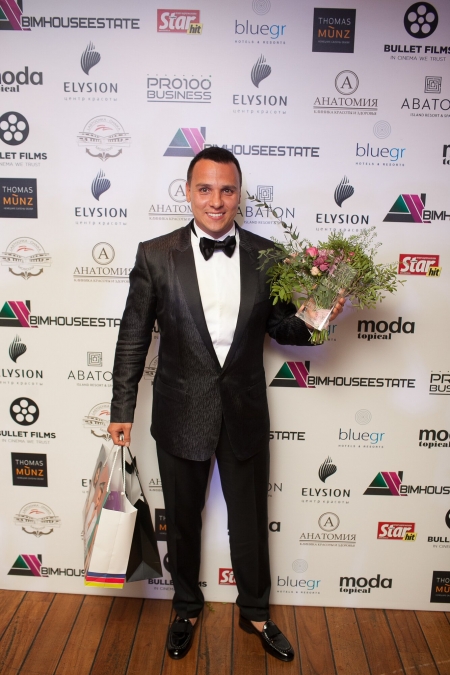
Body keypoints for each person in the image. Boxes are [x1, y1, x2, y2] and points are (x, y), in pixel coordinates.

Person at [107, 147, 344, 662]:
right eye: (206, 189)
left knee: (251, 522)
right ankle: (185, 608)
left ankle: (255, 611)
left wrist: (320, 315)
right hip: (179, 413)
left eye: (227, 189)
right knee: (182, 522)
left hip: (244, 413)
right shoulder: (155, 255)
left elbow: (282, 329)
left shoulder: (268, 255)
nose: (216, 200)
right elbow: (133, 336)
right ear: (188, 193)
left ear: (239, 195)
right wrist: (121, 408)